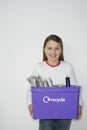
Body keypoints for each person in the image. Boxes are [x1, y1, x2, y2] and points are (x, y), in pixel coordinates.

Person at [27, 34, 82, 130]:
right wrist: (30, 103)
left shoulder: (67, 67)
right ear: (44, 49)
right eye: (49, 48)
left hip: (65, 112)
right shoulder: (39, 67)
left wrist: (79, 104)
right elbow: (32, 88)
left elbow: (75, 87)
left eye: (57, 48)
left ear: (61, 50)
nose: (53, 52)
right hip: (45, 112)